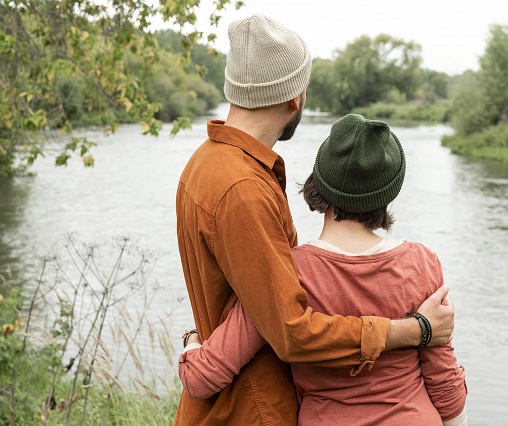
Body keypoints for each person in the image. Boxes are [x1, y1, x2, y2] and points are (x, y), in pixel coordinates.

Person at [174, 14, 455, 425]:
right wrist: (414, 331)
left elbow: (249, 306)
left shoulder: (206, 163)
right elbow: (291, 331)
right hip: (253, 408)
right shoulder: (242, 188)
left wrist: (194, 343)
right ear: (296, 97)